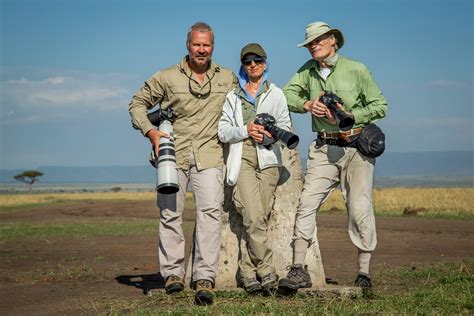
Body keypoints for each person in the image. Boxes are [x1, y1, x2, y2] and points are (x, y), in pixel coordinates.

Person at [128, 22, 235, 305]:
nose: (202, 50)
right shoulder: (166, 77)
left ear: (213, 47)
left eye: (207, 45)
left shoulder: (227, 77)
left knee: (210, 215)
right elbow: (137, 103)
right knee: (170, 214)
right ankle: (173, 274)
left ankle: (204, 278)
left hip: (210, 156)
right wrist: (151, 133)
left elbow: (246, 101)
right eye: (197, 44)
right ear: (188, 46)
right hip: (172, 156)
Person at [278, 21, 388, 292]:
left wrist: (348, 115)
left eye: (317, 41)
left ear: (332, 41)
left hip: (356, 150)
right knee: (306, 204)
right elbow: (286, 94)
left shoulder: (357, 69)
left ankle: (364, 273)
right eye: (309, 43)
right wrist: (307, 104)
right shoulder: (307, 71)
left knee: (359, 210)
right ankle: (298, 269)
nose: (312, 46)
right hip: (323, 149)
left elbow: (380, 105)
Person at [218, 43, 292, 293]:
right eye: (248, 62)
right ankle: (267, 270)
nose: (253, 65)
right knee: (252, 214)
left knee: (258, 217)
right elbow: (223, 131)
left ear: (265, 63)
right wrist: (246, 130)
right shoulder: (232, 97)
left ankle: (247, 271)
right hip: (243, 155)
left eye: (257, 61)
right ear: (243, 65)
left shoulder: (277, 94)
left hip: (269, 157)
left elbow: (287, 130)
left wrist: (268, 136)